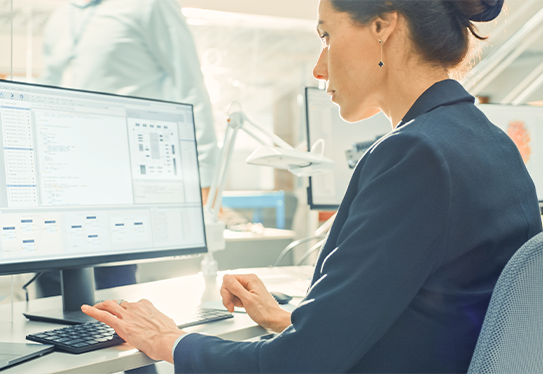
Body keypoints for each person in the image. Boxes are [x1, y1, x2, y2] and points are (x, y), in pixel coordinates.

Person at [82, 0, 543, 373]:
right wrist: (293, 319)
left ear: (382, 25)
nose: (319, 68)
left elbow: (296, 365)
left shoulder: (414, 155)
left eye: (326, 35)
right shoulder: (490, 142)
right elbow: (439, 316)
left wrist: (172, 342)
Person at [36, 0, 218, 299]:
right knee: (50, 279)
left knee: (113, 285)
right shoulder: (61, 18)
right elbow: (49, 86)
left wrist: (204, 175)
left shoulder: (150, 6)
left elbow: (191, 88)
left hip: (118, 174)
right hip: (62, 169)